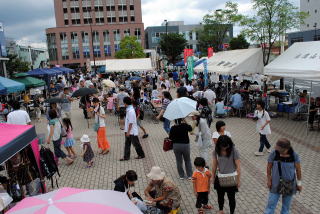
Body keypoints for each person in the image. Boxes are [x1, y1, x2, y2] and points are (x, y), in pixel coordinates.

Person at [264, 138, 302, 214]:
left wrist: (299, 183)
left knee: (286, 208)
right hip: (275, 184)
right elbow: (269, 167)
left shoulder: (294, 155)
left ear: (287, 148)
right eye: (276, 148)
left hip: (289, 184)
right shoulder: (274, 153)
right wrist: (268, 180)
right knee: (270, 206)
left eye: (279, 149)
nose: (277, 150)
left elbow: (298, 170)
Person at [212, 135, 241, 214]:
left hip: (231, 178)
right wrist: (213, 177)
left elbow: (238, 166)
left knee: (231, 198)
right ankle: (221, 210)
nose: (224, 148)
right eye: (222, 147)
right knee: (220, 196)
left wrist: (238, 180)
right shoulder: (216, 150)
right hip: (220, 177)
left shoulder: (234, 150)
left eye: (226, 146)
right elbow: (214, 165)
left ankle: (232, 212)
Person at [120, 97, 145, 161]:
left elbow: (131, 123)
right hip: (128, 130)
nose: (123, 104)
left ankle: (141, 155)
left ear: (125, 103)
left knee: (136, 144)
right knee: (127, 144)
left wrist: (128, 132)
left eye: (124, 103)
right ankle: (126, 157)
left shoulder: (131, 111)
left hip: (131, 131)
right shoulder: (129, 109)